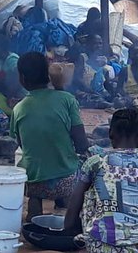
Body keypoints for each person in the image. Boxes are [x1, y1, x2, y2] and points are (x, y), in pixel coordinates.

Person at [64, 107, 138, 253]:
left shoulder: (95, 162)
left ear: (110, 134)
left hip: (104, 246)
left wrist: (75, 231)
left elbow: (72, 212)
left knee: (91, 196)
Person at [11, 52, 88, 221]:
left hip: (34, 183)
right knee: (84, 162)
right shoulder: (67, 99)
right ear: (47, 75)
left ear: (22, 78)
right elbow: (82, 143)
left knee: (30, 168)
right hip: (66, 181)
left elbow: (23, 146)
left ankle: (34, 211)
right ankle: (67, 204)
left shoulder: (18, 108)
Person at [72, 34, 116, 109]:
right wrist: (89, 90)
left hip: (100, 92)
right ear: (88, 45)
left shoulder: (102, 59)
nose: (98, 46)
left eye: (100, 43)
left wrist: (111, 89)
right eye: (95, 43)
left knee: (113, 94)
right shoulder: (82, 58)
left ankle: (110, 103)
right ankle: (110, 105)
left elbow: (104, 79)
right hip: (86, 92)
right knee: (94, 99)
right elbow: (77, 78)